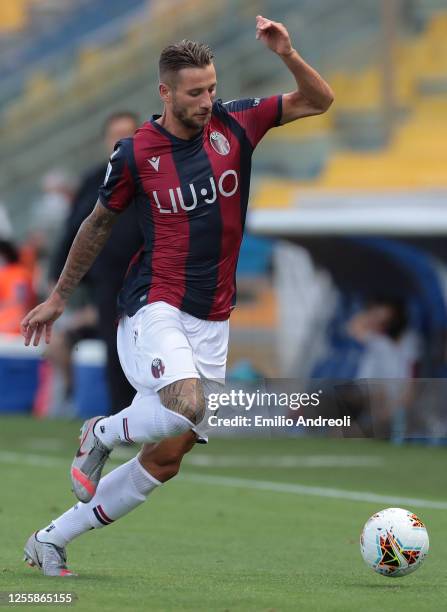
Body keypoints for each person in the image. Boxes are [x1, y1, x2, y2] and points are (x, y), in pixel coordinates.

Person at [21, 15, 334, 576]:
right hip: (153, 303)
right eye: (195, 93)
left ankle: (51, 538)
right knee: (182, 405)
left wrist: (286, 52)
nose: (207, 100)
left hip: (215, 317)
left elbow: (319, 100)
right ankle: (102, 430)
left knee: (166, 459)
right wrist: (60, 296)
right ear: (165, 92)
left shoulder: (236, 125)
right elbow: (95, 225)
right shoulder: (137, 152)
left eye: (212, 88)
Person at [48, 112, 142, 413]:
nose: (121, 140)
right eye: (116, 134)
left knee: (149, 349)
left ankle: (154, 419)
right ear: (106, 140)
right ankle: (122, 416)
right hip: (107, 280)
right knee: (113, 351)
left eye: (128, 134)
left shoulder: (153, 177)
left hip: (148, 278)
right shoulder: (94, 180)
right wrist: (57, 280)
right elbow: (73, 229)